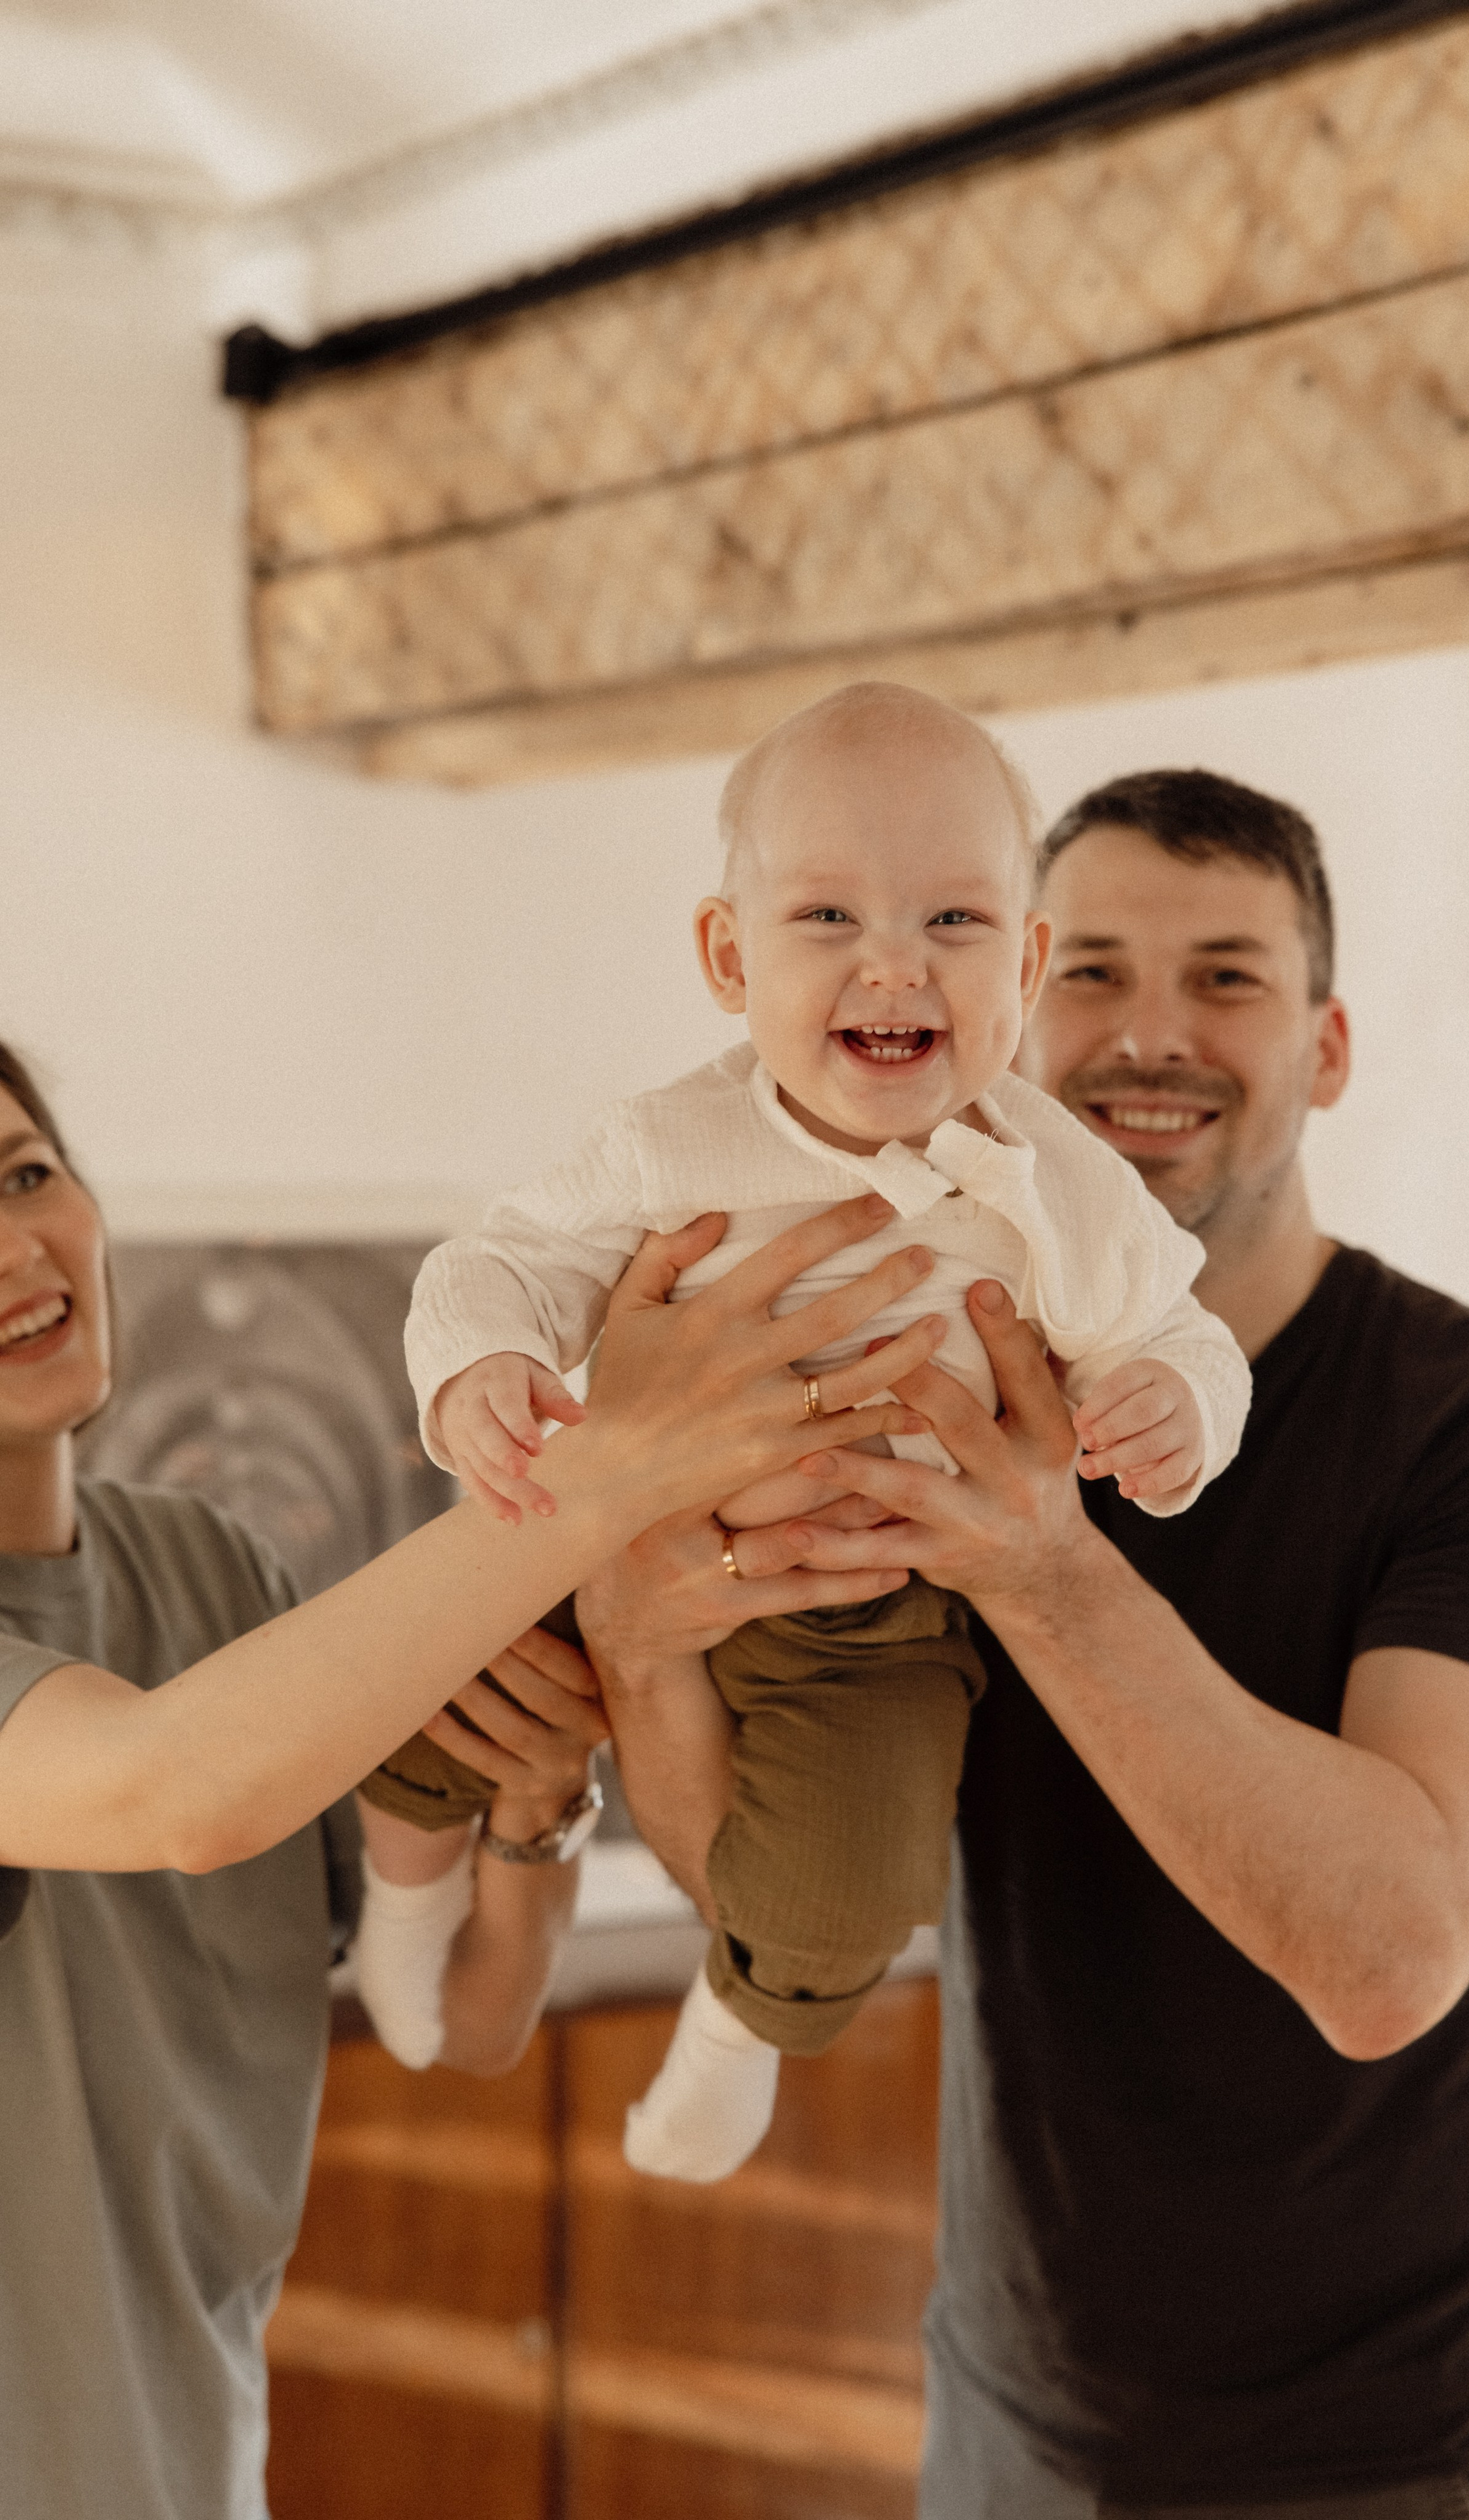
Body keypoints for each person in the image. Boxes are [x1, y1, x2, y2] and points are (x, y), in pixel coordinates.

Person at [572, 765, 1469, 2517]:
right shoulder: (896, 1397)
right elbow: (785, 1886)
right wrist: (636, 1632)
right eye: (1092, 975)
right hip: (1011, 2435)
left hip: (1397, 2458)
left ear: (1329, 1047)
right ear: (1003, 1016)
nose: (1152, 1036)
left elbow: (1390, 1958)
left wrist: (1039, 1563)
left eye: (1227, 976)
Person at [0, 1038, 943, 2520]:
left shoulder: (208, 1570)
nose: (15, 1246)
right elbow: (167, 1794)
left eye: (26, 1173)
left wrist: (536, 1800)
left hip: (195, 2467)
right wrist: (619, 1464)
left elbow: (463, 2022)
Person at [370, 684, 1249, 2182]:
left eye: (956, 923)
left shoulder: (1061, 1179)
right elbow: (496, 1266)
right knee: (424, 1663)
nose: (892, 961)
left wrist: (1175, 1406)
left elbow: (1176, 1329)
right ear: (729, 957)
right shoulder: (670, 1143)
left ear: (1026, 965)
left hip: (872, 1604)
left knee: (857, 1879)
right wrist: (487, 1367)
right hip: (614, 1525)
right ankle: (403, 1898)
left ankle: (740, 2024)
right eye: (827, 916)